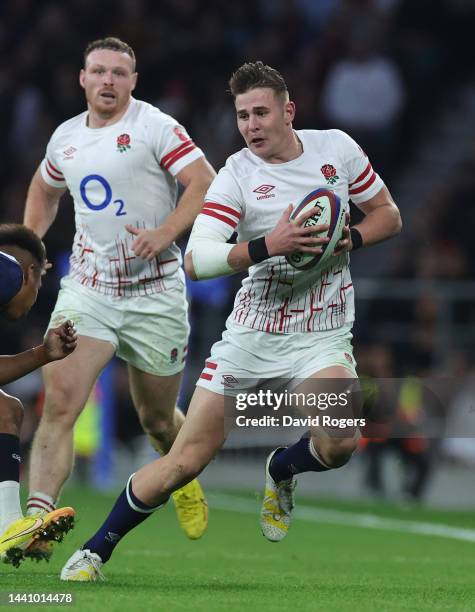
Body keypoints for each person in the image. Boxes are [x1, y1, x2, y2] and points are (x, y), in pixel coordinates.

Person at [60, 61, 402, 581]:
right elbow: (197, 260)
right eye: (242, 115)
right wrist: (270, 245)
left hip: (321, 335)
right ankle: (93, 552)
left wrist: (343, 239)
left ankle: (282, 467)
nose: (251, 125)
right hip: (251, 337)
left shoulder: (337, 148)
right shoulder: (237, 175)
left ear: (288, 111)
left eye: (261, 112)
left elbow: (388, 215)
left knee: (338, 444)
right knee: (185, 461)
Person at [22, 37, 215, 559]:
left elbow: (202, 180)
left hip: (154, 294)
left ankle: (180, 472)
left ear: (133, 81)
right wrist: (30, 244)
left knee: (157, 420)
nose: (108, 81)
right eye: (99, 72)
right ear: (82, 79)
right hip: (88, 289)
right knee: (60, 405)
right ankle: (37, 521)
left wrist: (167, 232)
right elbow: (44, 189)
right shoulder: (65, 139)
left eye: (119, 73)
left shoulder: (154, 126)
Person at [0, 224, 77, 567]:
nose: (34, 300)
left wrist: (43, 354)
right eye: (41, 283)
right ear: (31, 272)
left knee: (6, 410)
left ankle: (7, 527)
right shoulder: (8, 275)